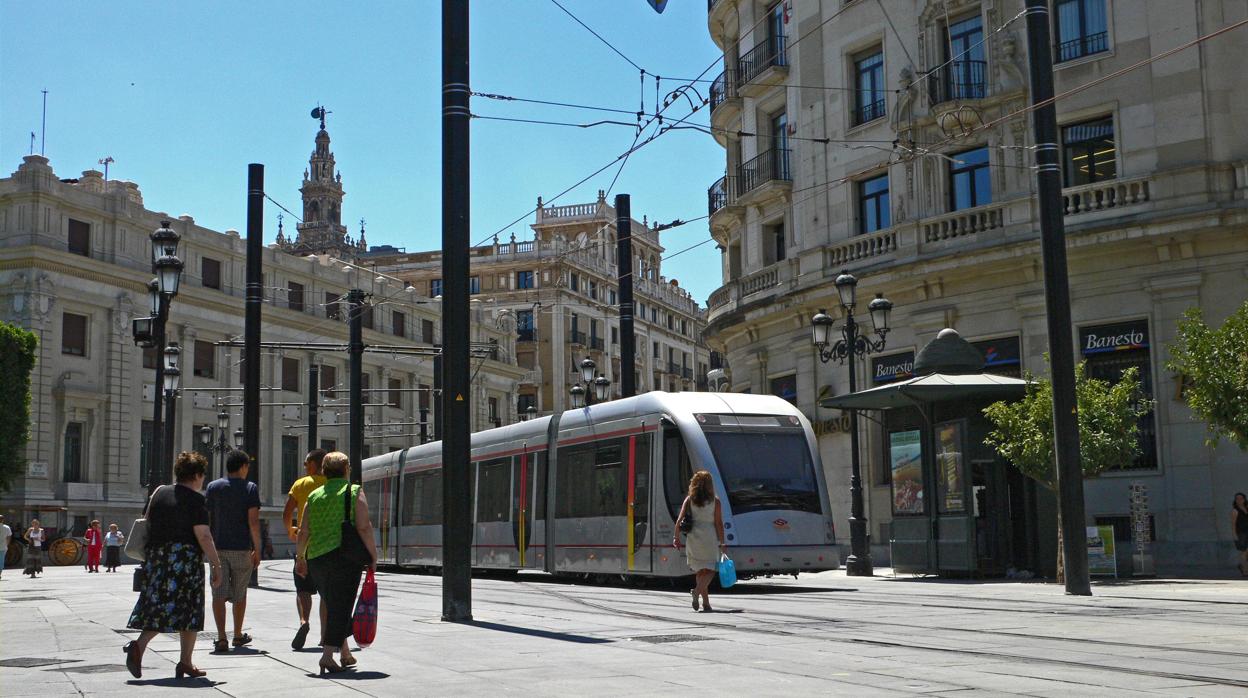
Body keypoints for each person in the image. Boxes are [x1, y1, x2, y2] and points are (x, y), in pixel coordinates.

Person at [123, 452, 223, 680]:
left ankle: (166, 656)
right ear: (196, 475)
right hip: (184, 560)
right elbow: (204, 535)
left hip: (157, 558)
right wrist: (216, 565)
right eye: (202, 475)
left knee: (158, 607)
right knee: (190, 609)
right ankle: (176, 658)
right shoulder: (196, 500)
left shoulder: (159, 493)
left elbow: (148, 521)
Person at [294, 452, 378, 675]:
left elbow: (303, 531)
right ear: (347, 469)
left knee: (334, 604)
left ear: (324, 471)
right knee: (341, 606)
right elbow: (364, 527)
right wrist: (373, 556)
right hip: (345, 557)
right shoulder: (353, 491)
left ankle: (344, 653)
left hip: (316, 559)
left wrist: (300, 558)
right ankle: (327, 656)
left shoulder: (314, 495)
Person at [205, 449, 262, 654]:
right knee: (240, 593)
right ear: (243, 466)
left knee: (218, 593)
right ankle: (237, 634)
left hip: (217, 548)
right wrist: (258, 549)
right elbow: (253, 522)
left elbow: (207, 519)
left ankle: (221, 638)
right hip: (241, 548)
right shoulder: (250, 488)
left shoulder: (213, 487)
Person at [283, 448, 327, 650]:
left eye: (306, 463)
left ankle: (304, 621)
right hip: (326, 545)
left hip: (305, 544)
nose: (304, 467)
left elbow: (287, 512)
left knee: (302, 589)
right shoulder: (331, 484)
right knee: (326, 593)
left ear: (313, 465)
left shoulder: (301, 484)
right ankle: (325, 636)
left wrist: (290, 530)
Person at [672, 470, 726, 612]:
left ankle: (706, 604)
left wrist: (676, 537)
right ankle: (696, 592)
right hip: (709, 536)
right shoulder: (716, 501)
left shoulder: (689, 500)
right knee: (712, 569)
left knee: (701, 571)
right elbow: (718, 523)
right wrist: (722, 542)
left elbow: (679, 520)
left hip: (693, 537)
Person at [1233, 493, 1248, 576]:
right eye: (1237, 499)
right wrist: (1235, 535)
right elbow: (1233, 524)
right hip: (1241, 533)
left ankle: (1242, 565)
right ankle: (1245, 570)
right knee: (1244, 552)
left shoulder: (1246, 508)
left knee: (1246, 552)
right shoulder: (1235, 511)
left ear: (1244, 499)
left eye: (1241, 498)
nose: (1239, 500)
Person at [0, 515, 11, 580]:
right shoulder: (7, 527)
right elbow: (9, 537)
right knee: (1, 561)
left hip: (3, 547)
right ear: (3, 520)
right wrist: (7, 545)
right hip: (3, 547)